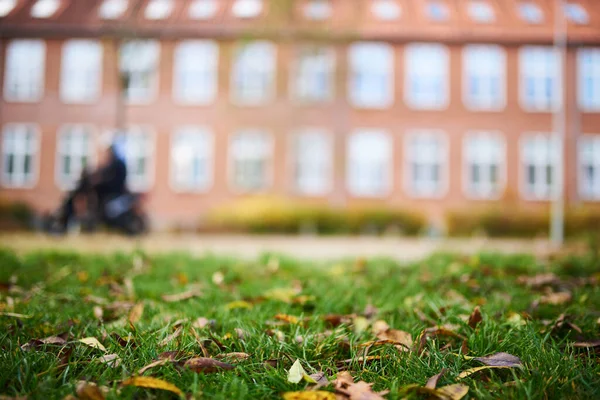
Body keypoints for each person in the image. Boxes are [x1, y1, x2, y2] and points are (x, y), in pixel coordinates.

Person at [54, 139, 128, 232]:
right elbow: (103, 171)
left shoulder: (116, 164)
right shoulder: (113, 164)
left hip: (111, 192)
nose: (108, 154)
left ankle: (90, 218)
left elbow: (109, 177)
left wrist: (97, 180)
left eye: (109, 151)